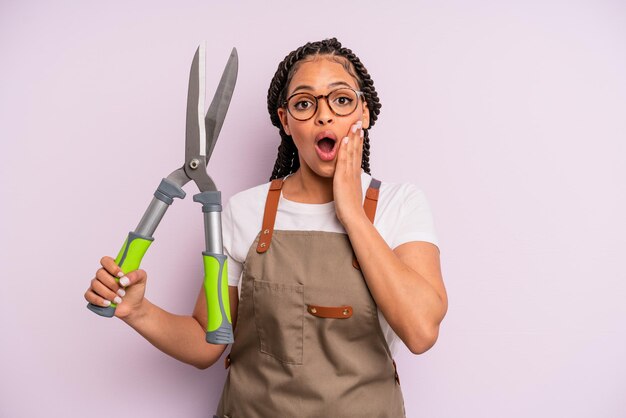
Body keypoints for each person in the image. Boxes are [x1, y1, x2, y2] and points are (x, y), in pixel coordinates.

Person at [84, 38, 448, 417]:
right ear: (286, 121)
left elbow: (421, 332)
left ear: (365, 113)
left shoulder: (401, 205)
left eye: (341, 100)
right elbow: (206, 342)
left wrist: (352, 214)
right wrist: (138, 310)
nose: (324, 116)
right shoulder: (246, 211)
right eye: (304, 104)